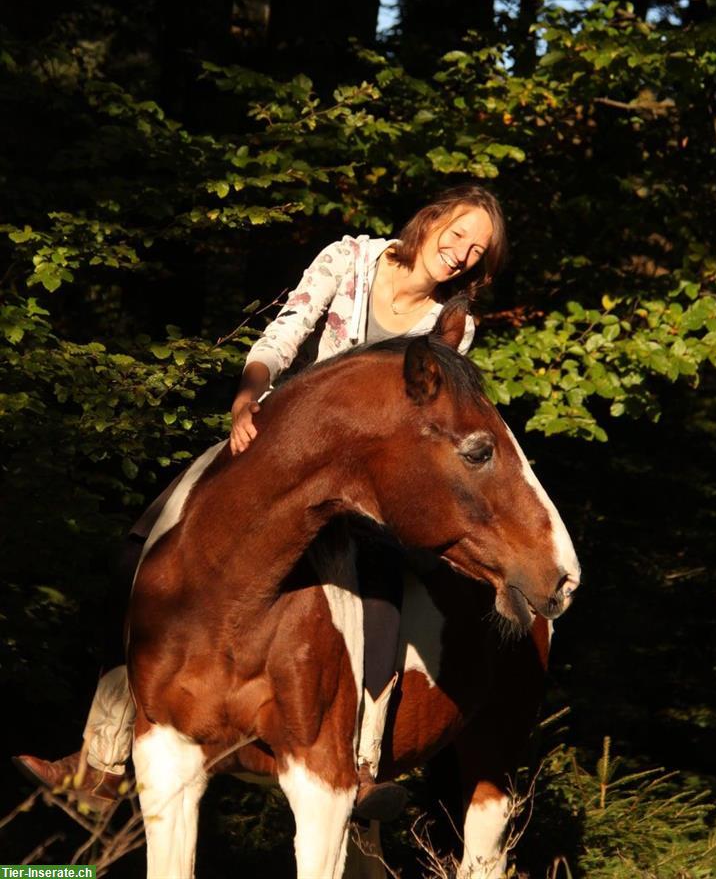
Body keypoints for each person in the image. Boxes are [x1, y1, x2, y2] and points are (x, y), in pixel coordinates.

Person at [14, 185, 507, 820]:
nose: (462, 253)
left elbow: (421, 427)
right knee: (141, 554)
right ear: (433, 218)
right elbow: (286, 330)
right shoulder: (349, 259)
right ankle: (100, 761)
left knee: (381, 598)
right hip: (277, 447)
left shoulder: (451, 328)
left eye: (479, 250)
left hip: (363, 485)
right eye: (459, 233)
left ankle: (359, 768)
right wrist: (249, 395)